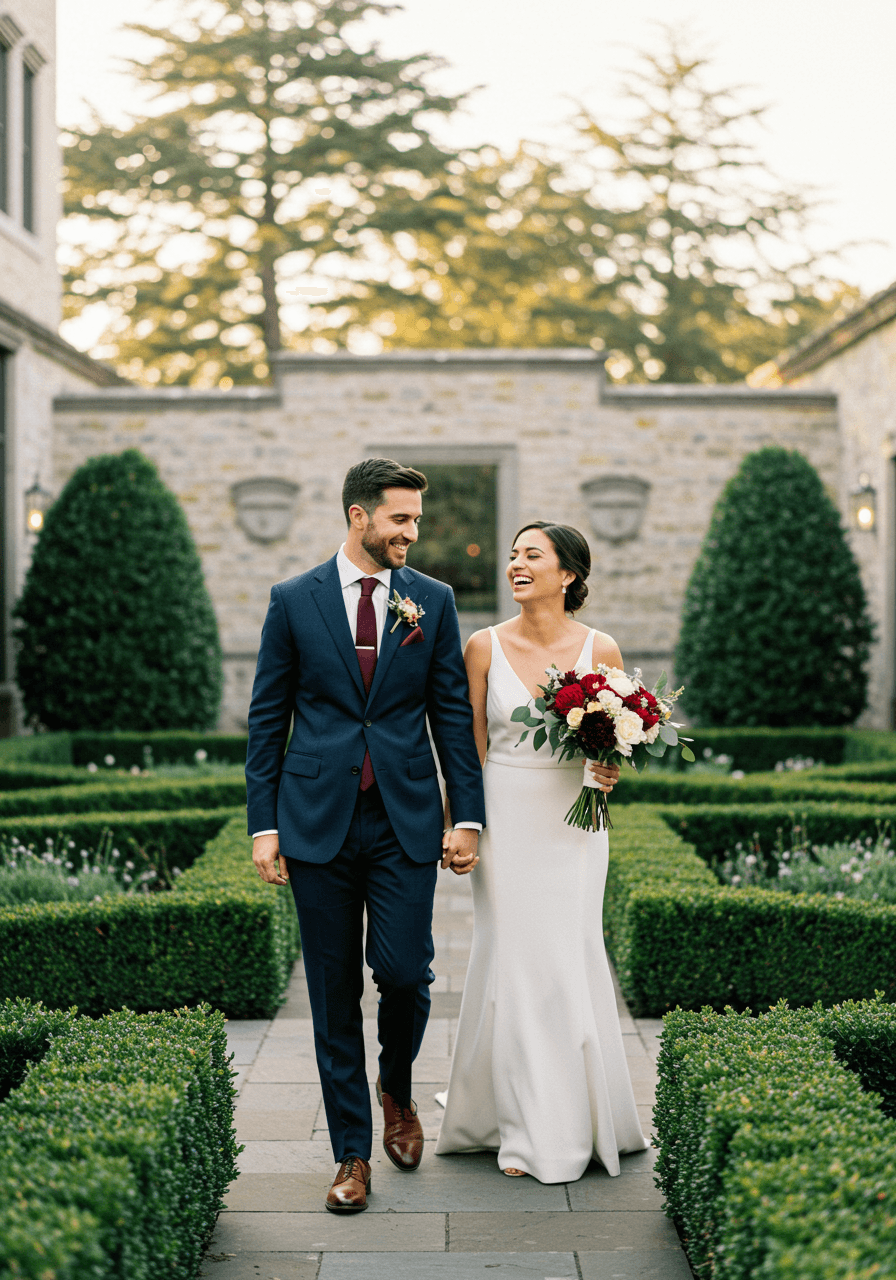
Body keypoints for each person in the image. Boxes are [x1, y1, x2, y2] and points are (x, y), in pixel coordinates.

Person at [246, 458, 486, 1214]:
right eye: (401, 519)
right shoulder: (293, 601)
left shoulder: (433, 602)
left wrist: (467, 815)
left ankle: (398, 1089)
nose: (412, 533)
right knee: (331, 992)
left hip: (404, 817)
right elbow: (266, 716)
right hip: (315, 821)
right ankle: (352, 1152)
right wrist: (265, 824)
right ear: (359, 516)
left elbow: (452, 713)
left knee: (407, 973)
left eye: (416, 520)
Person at [435, 520, 648, 1182]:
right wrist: (462, 823)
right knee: (516, 960)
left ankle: (580, 1113)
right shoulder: (482, 646)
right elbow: (466, 747)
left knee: (569, 957)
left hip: (575, 825)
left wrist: (609, 769)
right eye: (513, 555)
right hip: (506, 816)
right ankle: (526, 1128)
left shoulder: (600, 647)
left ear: (569, 574)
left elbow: (616, 739)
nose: (516, 564)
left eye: (533, 555)